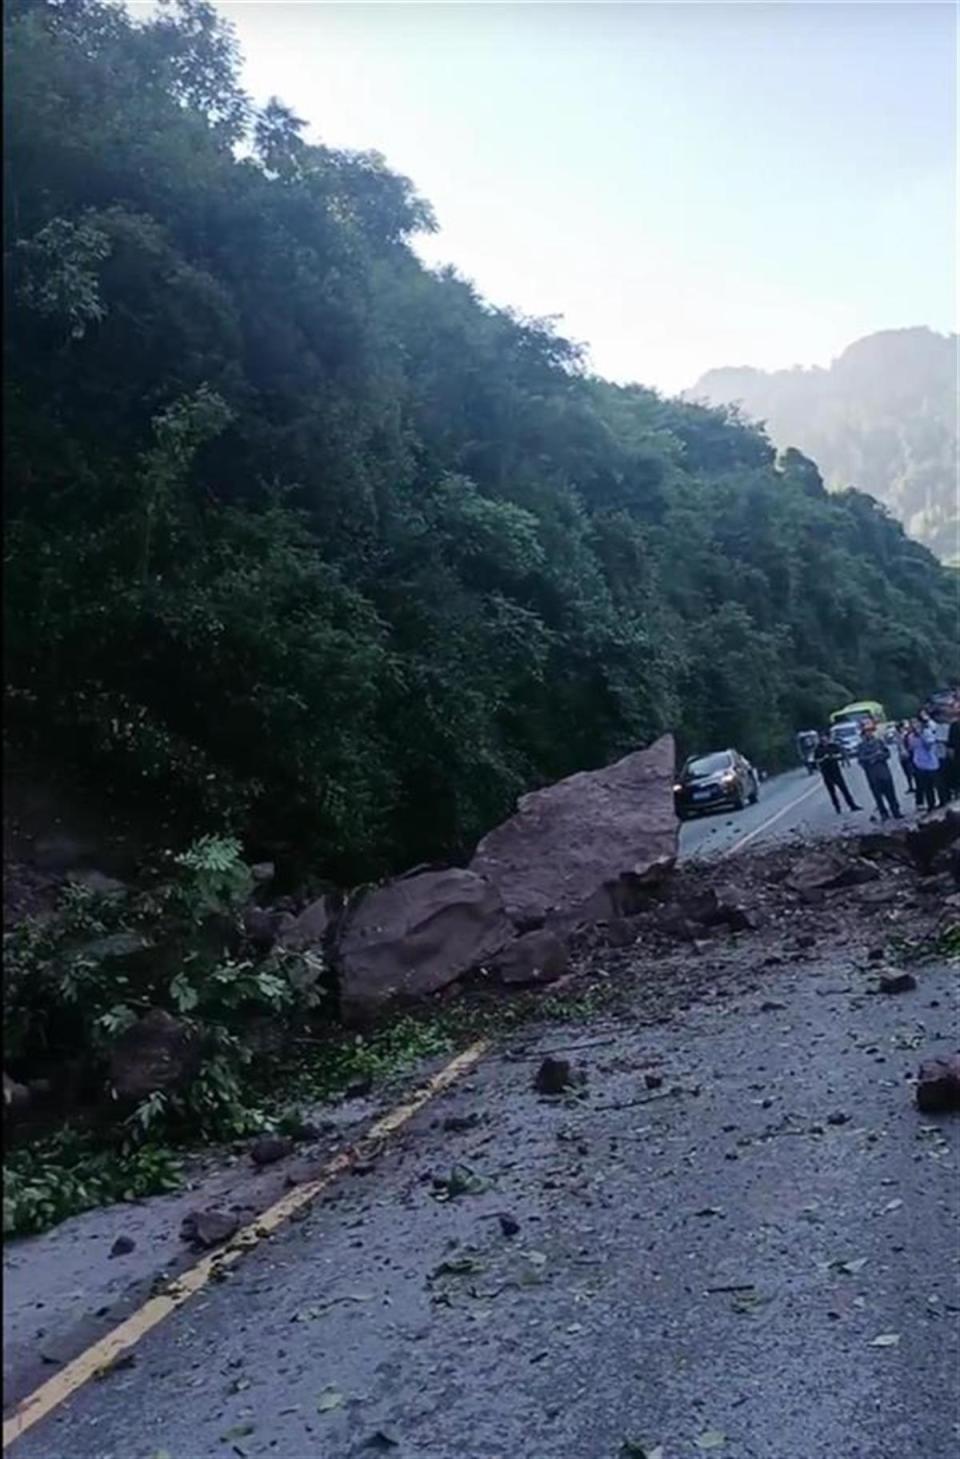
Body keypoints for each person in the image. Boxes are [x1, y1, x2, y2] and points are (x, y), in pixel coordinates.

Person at [856, 720, 901, 821]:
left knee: (891, 793)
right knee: (877, 795)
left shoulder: (879, 742)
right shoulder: (861, 746)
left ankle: (896, 811)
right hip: (872, 774)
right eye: (866, 732)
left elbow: (887, 754)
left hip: (884, 771)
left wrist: (879, 757)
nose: (869, 733)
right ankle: (883, 813)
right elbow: (861, 759)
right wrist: (873, 757)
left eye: (870, 731)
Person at [813, 729, 860, 814]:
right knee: (832, 792)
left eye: (825, 738)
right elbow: (816, 761)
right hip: (826, 772)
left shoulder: (833, 746)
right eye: (822, 738)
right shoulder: (818, 749)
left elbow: (841, 754)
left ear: (828, 738)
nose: (824, 739)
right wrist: (824, 758)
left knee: (844, 789)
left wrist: (834, 756)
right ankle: (837, 807)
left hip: (836, 770)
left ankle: (852, 805)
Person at [911, 713, 940, 813]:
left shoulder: (927, 732)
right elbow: (913, 749)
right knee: (927, 788)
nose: (914, 725)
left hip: (931, 764)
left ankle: (943, 802)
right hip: (920, 765)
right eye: (912, 723)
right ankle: (931, 805)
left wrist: (921, 736)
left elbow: (928, 746)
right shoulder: (911, 736)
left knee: (937, 785)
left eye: (916, 723)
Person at [895, 721, 916, 793]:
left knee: (912, 771)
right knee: (907, 773)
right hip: (902, 757)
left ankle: (916, 785)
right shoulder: (898, 736)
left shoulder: (906, 735)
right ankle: (911, 786)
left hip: (908, 756)